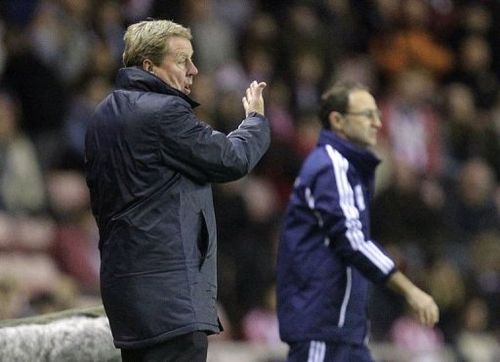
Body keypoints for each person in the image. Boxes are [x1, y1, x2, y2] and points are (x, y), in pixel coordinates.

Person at [84, 19, 270, 362]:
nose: (194, 70)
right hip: (169, 297)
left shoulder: (101, 115)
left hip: (127, 292)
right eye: (182, 60)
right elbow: (231, 159)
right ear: (148, 66)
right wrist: (254, 121)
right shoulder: (164, 113)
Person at [276, 81, 439, 362]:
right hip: (321, 327)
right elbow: (353, 241)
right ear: (337, 120)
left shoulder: (348, 168)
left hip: (345, 331)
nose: (378, 123)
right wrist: (410, 290)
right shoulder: (331, 167)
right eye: (367, 115)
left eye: (378, 114)